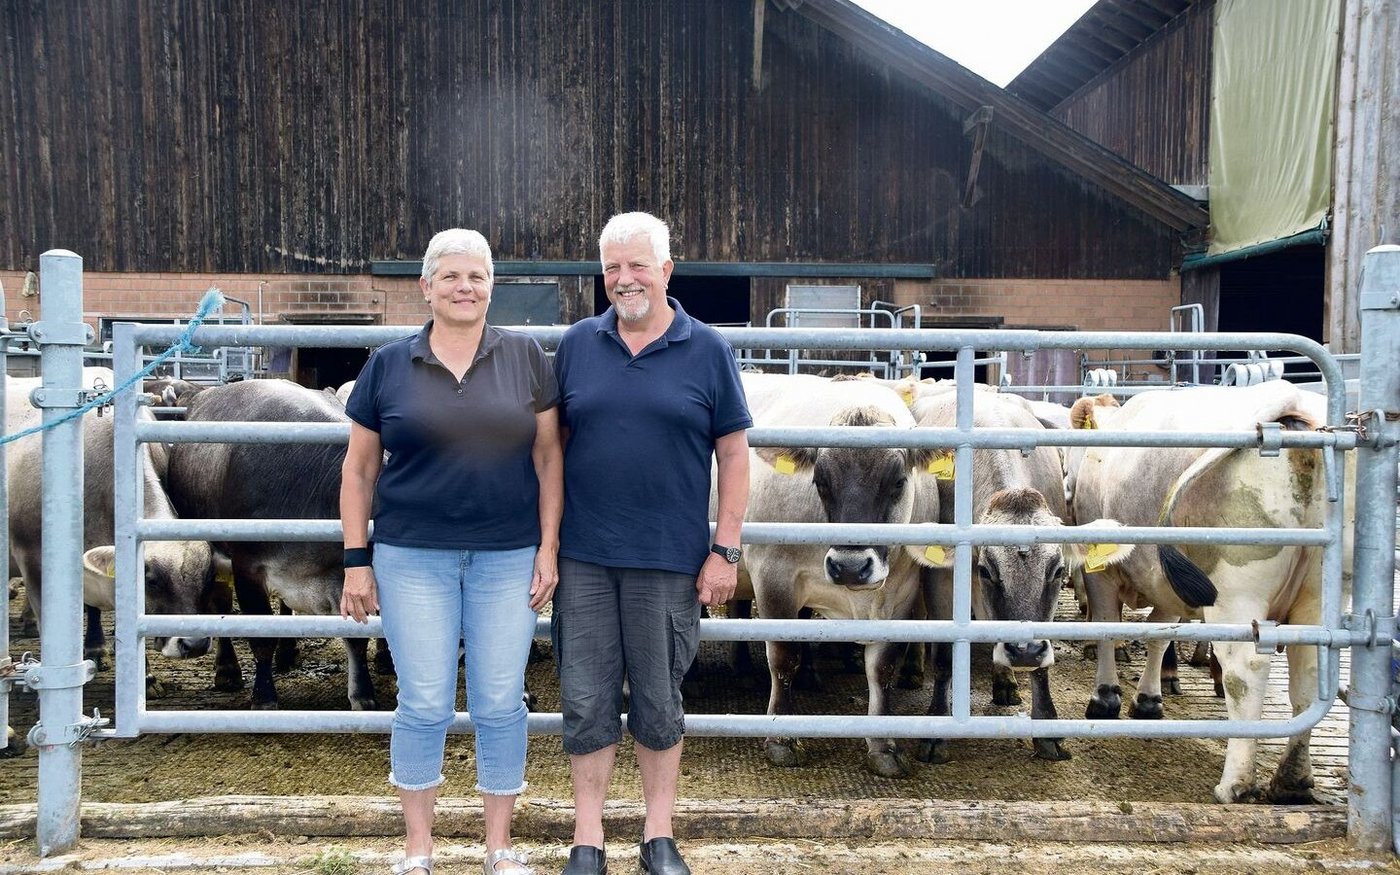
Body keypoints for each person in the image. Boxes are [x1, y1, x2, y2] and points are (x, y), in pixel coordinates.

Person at [340, 228, 563, 875]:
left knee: (500, 701)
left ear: (491, 286)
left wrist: (548, 546)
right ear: (426, 286)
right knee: (424, 701)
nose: (465, 287)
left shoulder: (526, 356)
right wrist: (356, 559)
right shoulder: (388, 365)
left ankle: (499, 848)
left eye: (477, 276)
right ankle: (418, 851)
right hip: (412, 557)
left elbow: (549, 457)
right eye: (452, 276)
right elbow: (358, 469)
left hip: (507, 554)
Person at [551, 212, 752, 875]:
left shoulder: (708, 349)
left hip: (669, 558)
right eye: (612, 267)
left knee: (660, 700)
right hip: (584, 555)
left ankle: (657, 835)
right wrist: (546, 545)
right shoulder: (577, 345)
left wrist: (725, 549)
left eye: (637, 265)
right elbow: (553, 449)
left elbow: (734, 455)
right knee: (585, 699)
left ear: (666, 270)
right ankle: (588, 838)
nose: (624, 278)